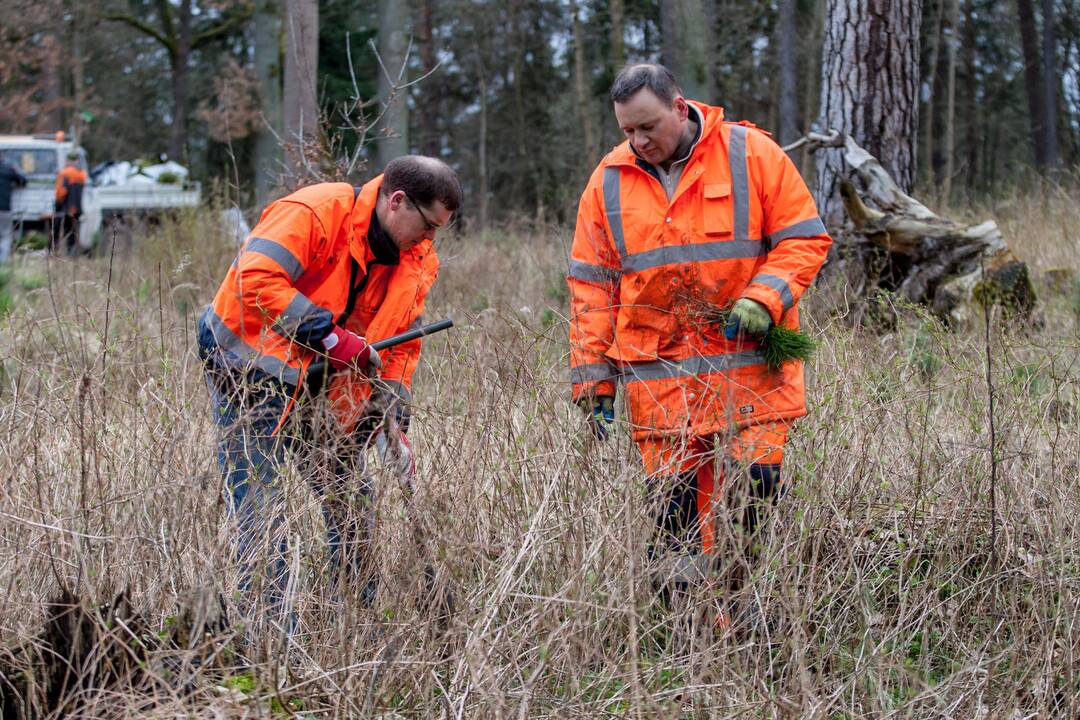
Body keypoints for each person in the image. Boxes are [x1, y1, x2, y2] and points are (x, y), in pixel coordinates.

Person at [566, 64, 832, 628]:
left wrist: (764, 299)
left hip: (750, 375)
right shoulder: (608, 180)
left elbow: (804, 239)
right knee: (674, 516)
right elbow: (591, 288)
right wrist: (592, 379)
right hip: (659, 384)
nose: (638, 142)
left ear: (680, 108)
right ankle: (686, 639)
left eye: (648, 127)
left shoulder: (752, 154)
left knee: (752, 498)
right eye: (627, 131)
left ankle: (746, 620)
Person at [197, 155, 460, 637]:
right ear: (397, 201)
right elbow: (254, 279)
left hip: (320, 384)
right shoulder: (317, 211)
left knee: (351, 500)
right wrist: (328, 335)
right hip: (248, 371)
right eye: (426, 226)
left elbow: (404, 336)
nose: (429, 240)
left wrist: (392, 407)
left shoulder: (416, 258)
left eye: (438, 231)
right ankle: (273, 648)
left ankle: (355, 626)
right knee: (262, 507)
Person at [53, 152, 87, 255]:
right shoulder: (82, 174)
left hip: (65, 208)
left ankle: (55, 252)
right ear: (77, 161)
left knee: (58, 231)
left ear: (67, 161)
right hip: (78, 209)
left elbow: (61, 192)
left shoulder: (64, 173)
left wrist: (57, 204)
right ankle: (71, 253)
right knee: (74, 232)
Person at [0, 156, 27, 263]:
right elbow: (23, 181)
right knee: (6, 235)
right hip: (4, 209)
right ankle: (2, 261)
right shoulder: (8, 170)